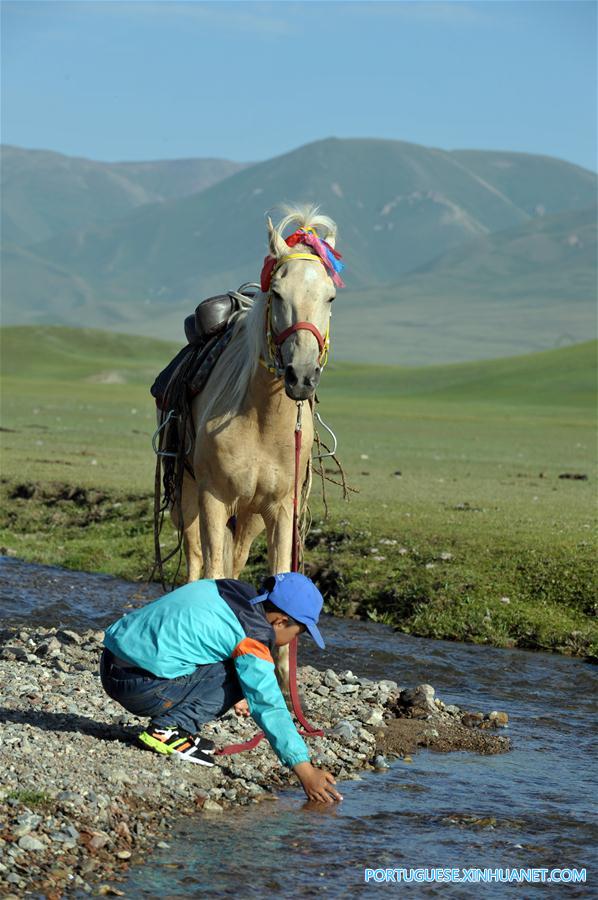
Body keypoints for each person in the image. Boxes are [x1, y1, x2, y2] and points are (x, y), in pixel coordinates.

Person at [100, 572, 342, 804]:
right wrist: (305, 770)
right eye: (297, 633)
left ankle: (177, 730)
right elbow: (268, 704)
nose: (293, 640)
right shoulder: (253, 636)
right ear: (280, 622)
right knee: (246, 675)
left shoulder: (229, 589)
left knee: (240, 667)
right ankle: (167, 730)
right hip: (139, 686)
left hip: (112, 662)